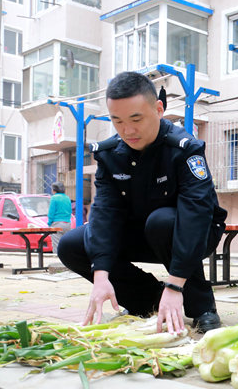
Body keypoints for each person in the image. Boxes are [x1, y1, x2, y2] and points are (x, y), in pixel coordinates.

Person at [57, 72, 227, 334]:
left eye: (136, 119)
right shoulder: (109, 154)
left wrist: (175, 285)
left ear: (158, 109)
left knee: (162, 222)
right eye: (117, 121)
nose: (127, 130)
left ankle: (201, 306)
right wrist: (100, 275)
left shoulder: (184, 149)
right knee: (72, 244)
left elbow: (196, 214)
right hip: (142, 232)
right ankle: (148, 299)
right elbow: (105, 213)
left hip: (193, 231)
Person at [47, 181, 72, 254]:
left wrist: (49, 223)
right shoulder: (67, 198)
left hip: (57, 224)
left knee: (57, 247)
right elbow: (70, 211)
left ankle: (57, 260)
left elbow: (51, 212)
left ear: (54, 190)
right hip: (67, 224)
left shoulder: (54, 198)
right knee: (66, 246)